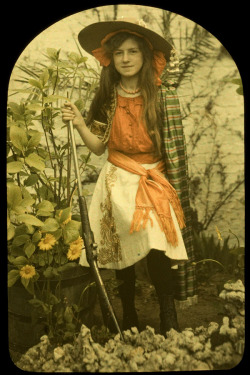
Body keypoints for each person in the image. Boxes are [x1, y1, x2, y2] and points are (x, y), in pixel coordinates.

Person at [62, 18, 193, 336]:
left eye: (133, 51)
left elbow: (173, 150)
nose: (125, 58)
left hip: (151, 182)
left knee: (158, 247)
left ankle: (167, 313)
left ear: (146, 56)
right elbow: (97, 148)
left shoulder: (163, 97)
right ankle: (128, 313)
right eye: (118, 52)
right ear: (111, 58)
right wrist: (79, 123)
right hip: (117, 182)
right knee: (122, 250)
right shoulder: (107, 97)